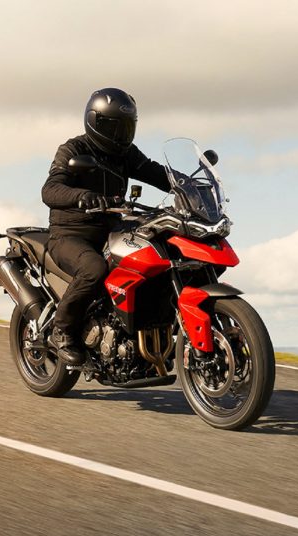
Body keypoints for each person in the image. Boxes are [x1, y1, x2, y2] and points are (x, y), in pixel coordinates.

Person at [41, 87, 172, 365]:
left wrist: (187, 183)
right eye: (114, 127)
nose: (120, 135)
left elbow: (155, 172)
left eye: (126, 128)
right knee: (94, 269)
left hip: (111, 232)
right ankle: (61, 330)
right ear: (95, 122)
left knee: (155, 258)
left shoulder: (126, 155)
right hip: (70, 234)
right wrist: (81, 196)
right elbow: (50, 190)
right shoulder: (74, 149)